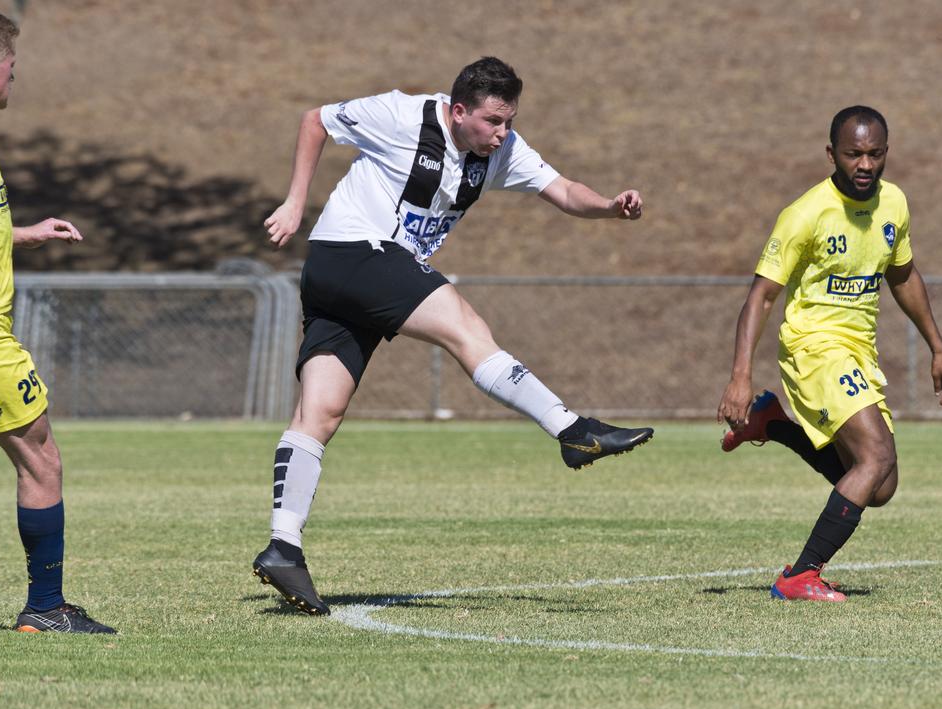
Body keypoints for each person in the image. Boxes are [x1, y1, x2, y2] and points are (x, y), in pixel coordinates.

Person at [256, 56, 653, 615]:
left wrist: (610, 207)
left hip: (343, 278)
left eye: (509, 120)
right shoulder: (400, 114)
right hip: (354, 251)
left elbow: (563, 190)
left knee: (317, 415)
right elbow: (314, 120)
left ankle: (283, 548)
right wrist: (296, 202)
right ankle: (572, 428)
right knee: (467, 329)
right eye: (493, 121)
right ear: (459, 109)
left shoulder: (500, 150)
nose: (503, 133)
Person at [717, 105, 942, 602]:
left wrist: (938, 346)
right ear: (832, 154)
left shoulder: (894, 204)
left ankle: (774, 424)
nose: (865, 165)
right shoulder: (806, 213)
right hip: (813, 347)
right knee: (876, 456)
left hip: (857, 351)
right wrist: (740, 374)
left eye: (875, 154)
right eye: (854, 154)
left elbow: (904, 276)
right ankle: (801, 575)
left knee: (882, 485)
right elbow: (760, 296)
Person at [0, 8, 114, 633]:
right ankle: (45, 608)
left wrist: (22, 233)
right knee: (41, 460)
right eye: (11, 68)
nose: (16, 79)